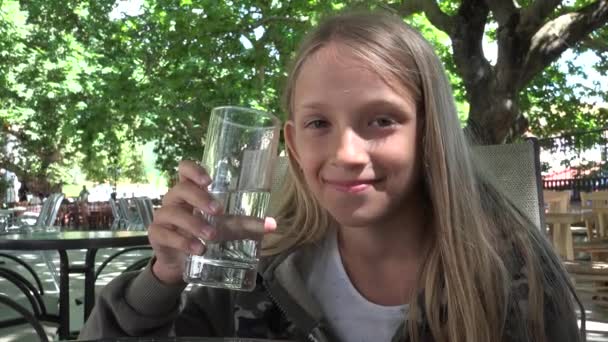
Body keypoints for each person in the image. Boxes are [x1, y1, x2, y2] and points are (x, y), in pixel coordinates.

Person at [79, 11, 583, 342]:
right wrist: (162, 278)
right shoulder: (257, 274)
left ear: (430, 132)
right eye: (320, 124)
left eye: (381, 121)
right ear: (293, 146)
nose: (345, 153)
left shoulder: (516, 282)